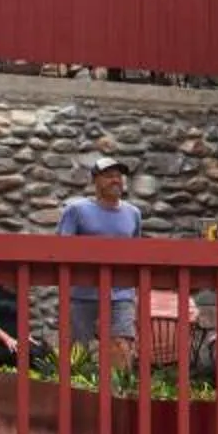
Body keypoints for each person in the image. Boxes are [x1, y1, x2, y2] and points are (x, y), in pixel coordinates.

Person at [54, 152, 144, 375]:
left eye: (119, 176)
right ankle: (74, 401)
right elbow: (61, 249)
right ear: (95, 181)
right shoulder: (76, 210)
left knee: (121, 346)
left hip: (121, 294)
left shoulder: (134, 214)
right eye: (109, 176)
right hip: (82, 294)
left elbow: (137, 252)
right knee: (77, 351)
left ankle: (116, 400)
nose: (116, 180)